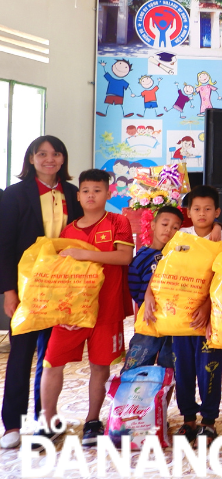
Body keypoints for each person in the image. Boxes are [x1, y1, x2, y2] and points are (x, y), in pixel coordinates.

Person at [40, 169, 134, 445]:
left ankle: (93, 420)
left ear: (108, 193)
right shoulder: (68, 230)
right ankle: (48, 422)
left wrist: (84, 254)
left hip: (107, 310)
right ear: (78, 196)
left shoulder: (118, 222)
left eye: (97, 190)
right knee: (51, 363)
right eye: (86, 191)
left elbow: (124, 257)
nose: (91, 195)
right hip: (71, 312)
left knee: (100, 366)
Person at [1, 136, 83, 449]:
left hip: (61, 289)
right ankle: (12, 424)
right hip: (26, 289)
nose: (50, 159)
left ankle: (45, 419)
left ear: (63, 160)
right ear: (31, 158)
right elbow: (4, 246)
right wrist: (9, 291)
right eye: (42, 154)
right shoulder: (14, 194)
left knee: (52, 357)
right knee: (21, 355)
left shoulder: (73, 194)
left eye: (56, 154)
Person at [169, 185, 222, 443]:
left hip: (210, 317)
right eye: (196, 209)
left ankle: (208, 420)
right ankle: (188, 419)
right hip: (180, 316)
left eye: (208, 209)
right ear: (188, 212)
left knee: (209, 369)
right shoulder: (180, 235)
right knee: (182, 369)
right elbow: (167, 270)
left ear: (217, 211)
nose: (202, 214)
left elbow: (221, 276)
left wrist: (207, 306)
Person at [122, 206, 183, 371]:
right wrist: (145, 305)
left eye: (175, 227)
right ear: (153, 225)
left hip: (172, 323)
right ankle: (132, 396)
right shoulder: (141, 257)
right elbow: (133, 287)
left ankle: (163, 397)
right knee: (135, 367)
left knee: (169, 370)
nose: (168, 230)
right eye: (164, 224)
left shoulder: (179, 257)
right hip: (148, 321)